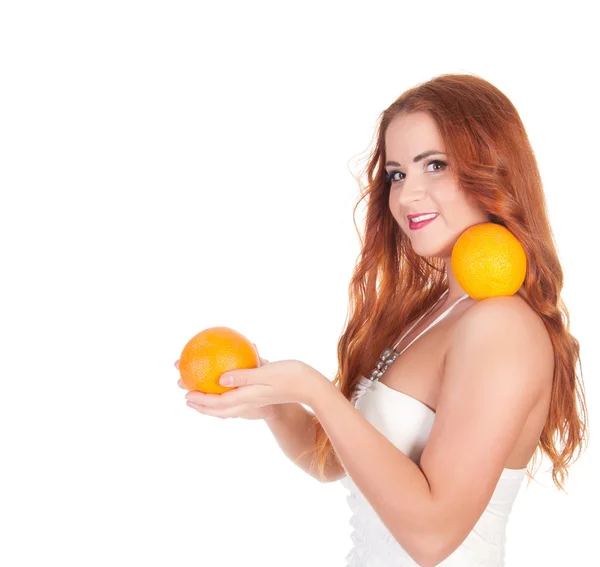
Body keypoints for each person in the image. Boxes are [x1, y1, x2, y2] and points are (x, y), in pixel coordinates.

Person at [176, 73, 589, 566]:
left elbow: (434, 539)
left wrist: (314, 390)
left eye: (434, 165)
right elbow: (332, 461)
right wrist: (274, 403)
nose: (407, 196)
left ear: (493, 171)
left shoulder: (500, 326)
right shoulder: (437, 313)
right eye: (397, 174)